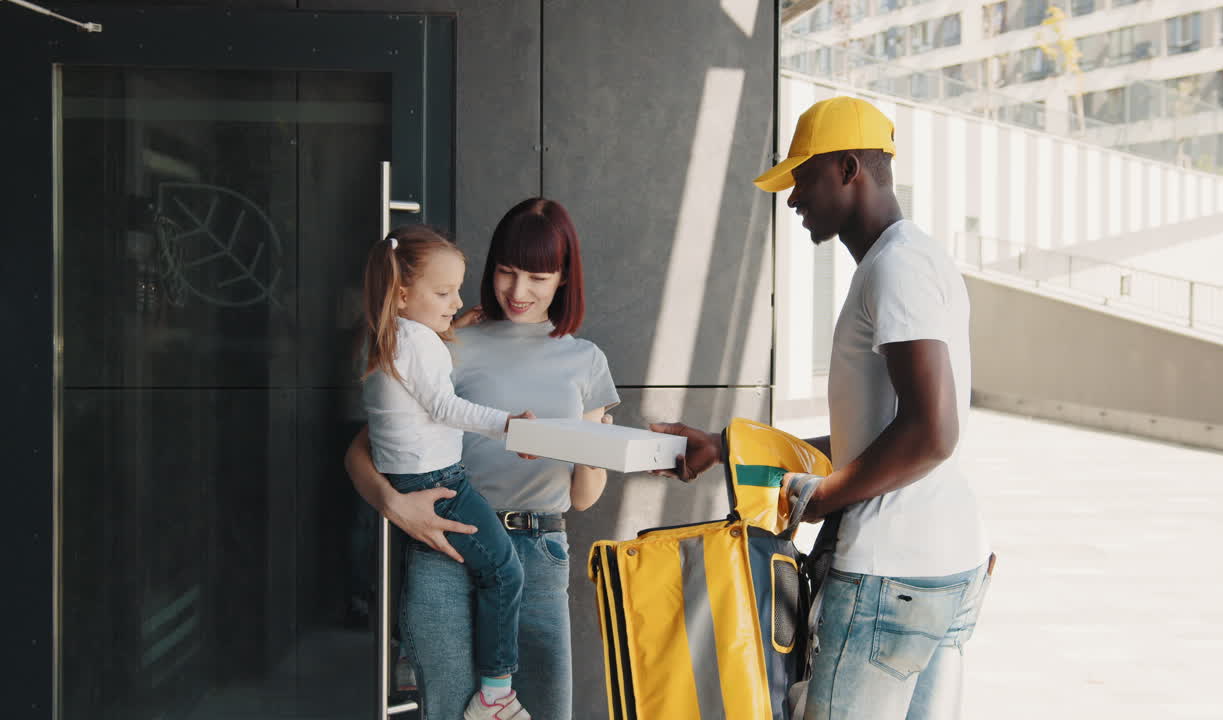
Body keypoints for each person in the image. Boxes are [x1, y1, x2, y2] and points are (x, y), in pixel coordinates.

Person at [651, 96, 993, 720]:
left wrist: (823, 497)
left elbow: (932, 432)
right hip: (940, 564)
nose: (793, 198)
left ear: (847, 168)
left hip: (888, 575)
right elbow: (877, 436)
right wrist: (728, 448)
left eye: (801, 177)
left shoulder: (895, 268)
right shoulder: (912, 258)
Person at [346, 198, 619, 720]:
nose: (519, 292)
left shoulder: (585, 360)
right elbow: (363, 449)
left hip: (539, 555)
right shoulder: (444, 340)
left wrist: (594, 446)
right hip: (446, 543)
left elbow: (583, 498)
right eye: (506, 272)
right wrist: (395, 507)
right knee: (449, 711)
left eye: (538, 277)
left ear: (564, 278)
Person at [360, 224, 538, 719]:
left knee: (484, 568)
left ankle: (415, 653)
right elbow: (441, 405)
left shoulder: (390, 336)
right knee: (503, 571)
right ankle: (496, 693)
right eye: (442, 292)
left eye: (456, 290)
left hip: (408, 480)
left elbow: (413, 392)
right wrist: (508, 426)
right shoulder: (418, 341)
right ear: (401, 294)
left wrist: (449, 325)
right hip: (438, 482)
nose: (454, 300)